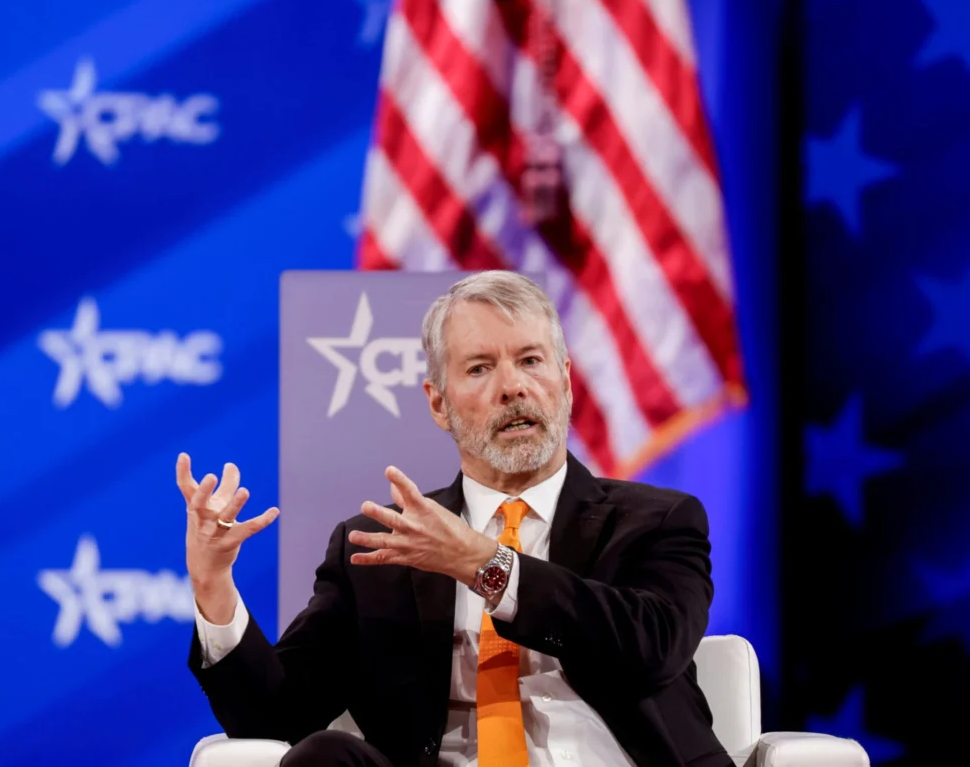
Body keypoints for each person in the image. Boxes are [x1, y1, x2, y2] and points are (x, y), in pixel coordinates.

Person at [180, 270, 733, 767]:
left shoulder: (656, 520)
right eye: (479, 368)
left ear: (565, 380)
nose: (513, 387)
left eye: (531, 361)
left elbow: (652, 650)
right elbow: (274, 716)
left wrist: (485, 565)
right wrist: (213, 584)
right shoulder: (379, 549)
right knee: (322, 756)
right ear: (438, 403)